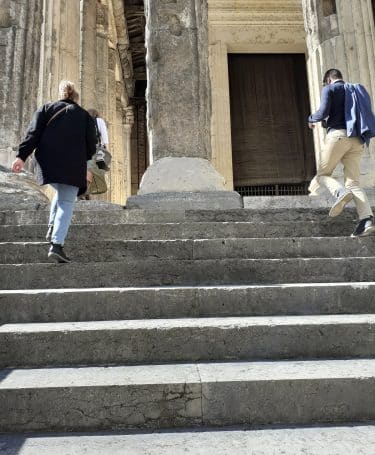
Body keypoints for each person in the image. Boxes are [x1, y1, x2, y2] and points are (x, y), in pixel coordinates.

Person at [12, 80, 97, 262]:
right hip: (72, 165)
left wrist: (21, 157)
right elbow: (92, 146)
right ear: (76, 97)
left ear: (61, 94)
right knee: (66, 202)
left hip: (47, 163)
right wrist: (85, 157)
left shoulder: (45, 109)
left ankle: (51, 226)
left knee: (60, 191)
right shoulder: (84, 117)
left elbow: (32, 134)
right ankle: (56, 245)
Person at [308, 68, 375, 237]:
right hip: (357, 139)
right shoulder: (354, 89)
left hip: (338, 136)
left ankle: (340, 192)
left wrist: (310, 118)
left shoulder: (330, 89)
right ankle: (366, 220)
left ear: (329, 79)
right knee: (353, 183)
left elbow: (323, 112)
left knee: (322, 174)